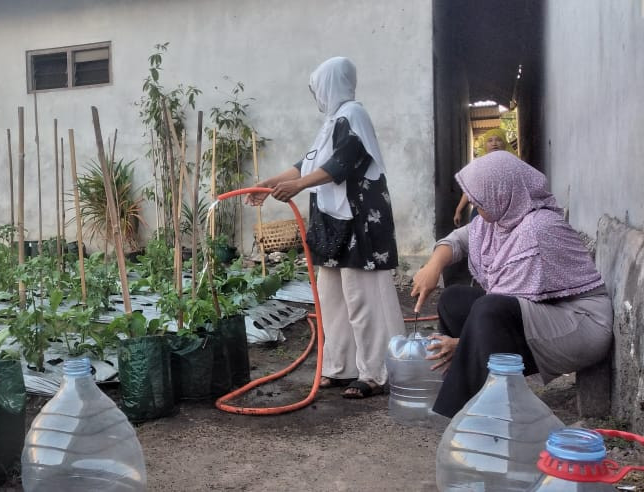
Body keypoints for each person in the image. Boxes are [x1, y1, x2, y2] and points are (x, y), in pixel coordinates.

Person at [411, 150, 613, 417]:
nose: (474, 206)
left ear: (502, 192)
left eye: (479, 201)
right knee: (453, 300)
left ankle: (460, 415)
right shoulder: (502, 219)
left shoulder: (537, 230)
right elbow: (458, 241)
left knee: (488, 309)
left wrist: (460, 345)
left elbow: (501, 310)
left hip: (580, 324)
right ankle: (482, 396)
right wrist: (433, 266)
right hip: (545, 314)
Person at [246, 57, 404, 399]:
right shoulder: (332, 122)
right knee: (331, 299)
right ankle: (339, 366)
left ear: (331, 84)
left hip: (359, 223)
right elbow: (307, 162)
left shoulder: (353, 116)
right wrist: (267, 185)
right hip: (333, 224)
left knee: (362, 299)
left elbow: (340, 165)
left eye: (318, 87)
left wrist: (300, 185)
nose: (316, 94)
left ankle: (375, 373)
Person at [453, 128, 514, 226]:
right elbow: (470, 189)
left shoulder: (514, 163)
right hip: (481, 213)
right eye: (490, 140)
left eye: (498, 140)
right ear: (485, 145)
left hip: (508, 213)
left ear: (505, 143)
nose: (494, 143)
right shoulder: (478, 165)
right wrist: (458, 210)